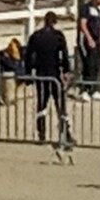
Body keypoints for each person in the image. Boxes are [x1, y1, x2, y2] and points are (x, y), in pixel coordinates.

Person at [24, 11, 71, 143]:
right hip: (55, 73)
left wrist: (29, 72)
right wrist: (66, 70)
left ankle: (42, 134)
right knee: (60, 105)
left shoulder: (36, 36)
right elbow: (65, 55)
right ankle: (64, 133)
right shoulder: (58, 36)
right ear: (55, 22)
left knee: (42, 104)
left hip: (41, 73)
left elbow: (28, 56)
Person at [78, 0, 100, 98]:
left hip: (97, 42)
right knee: (88, 64)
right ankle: (84, 90)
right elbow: (83, 24)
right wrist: (89, 38)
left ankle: (94, 89)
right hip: (87, 40)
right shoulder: (86, 8)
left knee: (96, 65)